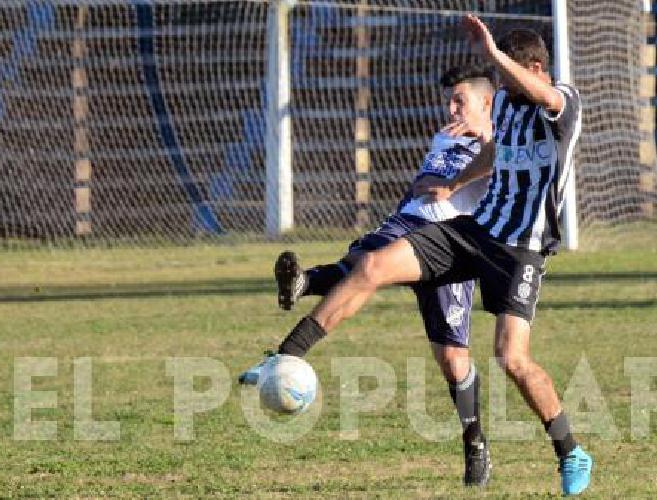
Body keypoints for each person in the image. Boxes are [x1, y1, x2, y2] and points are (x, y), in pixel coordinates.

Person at [245, 15, 592, 495]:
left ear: (534, 66)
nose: (503, 88)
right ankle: (285, 357)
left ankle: (570, 449)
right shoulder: (509, 107)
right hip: (475, 229)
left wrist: (493, 54)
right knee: (372, 265)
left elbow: (545, 96)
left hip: (521, 252)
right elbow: (497, 154)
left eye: (510, 75)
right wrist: (456, 180)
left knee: (511, 359)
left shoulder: (565, 102)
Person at [241, 62, 497, 486]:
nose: (451, 108)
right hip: (410, 225)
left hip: (452, 245)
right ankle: (299, 298)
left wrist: (463, 169)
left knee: (453, 361)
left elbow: (493, 164)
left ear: (487, 102)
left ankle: (475, 443)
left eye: (460, 101)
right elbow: (424, 185)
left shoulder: (504, 141)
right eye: (449, 100)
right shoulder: (445, 137)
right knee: (363, 267)